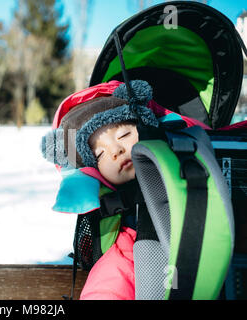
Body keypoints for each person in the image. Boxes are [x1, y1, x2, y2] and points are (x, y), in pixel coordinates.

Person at [41, 80, 210, 300]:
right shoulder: (122, 253)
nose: (116, 150)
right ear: (95, 172)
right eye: (100, 154)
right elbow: (107, 288)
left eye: (124, 136)